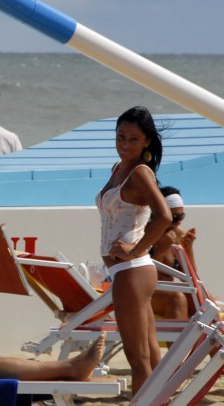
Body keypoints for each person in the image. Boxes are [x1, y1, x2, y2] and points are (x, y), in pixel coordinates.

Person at [95, 106, 171, 394]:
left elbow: (163, 215)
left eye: (133, 139)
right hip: (130, 271)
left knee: (137, 359)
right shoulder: (119, 168)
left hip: (131, 271)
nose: (125, 145)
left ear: (147, 141)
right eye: (120, 137)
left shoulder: (140, 173)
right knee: (149, 356)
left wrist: (135, 250)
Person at [150, 186, 199, 320]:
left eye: (181, 217)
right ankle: (180, 342)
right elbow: (143, 276)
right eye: (174, 218)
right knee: (176, 299)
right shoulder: (145, 234)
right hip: (145, 291)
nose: (178, 223)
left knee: (202, 298)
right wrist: (159, 252)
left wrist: (188, 251)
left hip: (166, 290)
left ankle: (210, 341)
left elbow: (191, 278)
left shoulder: (178, 234)